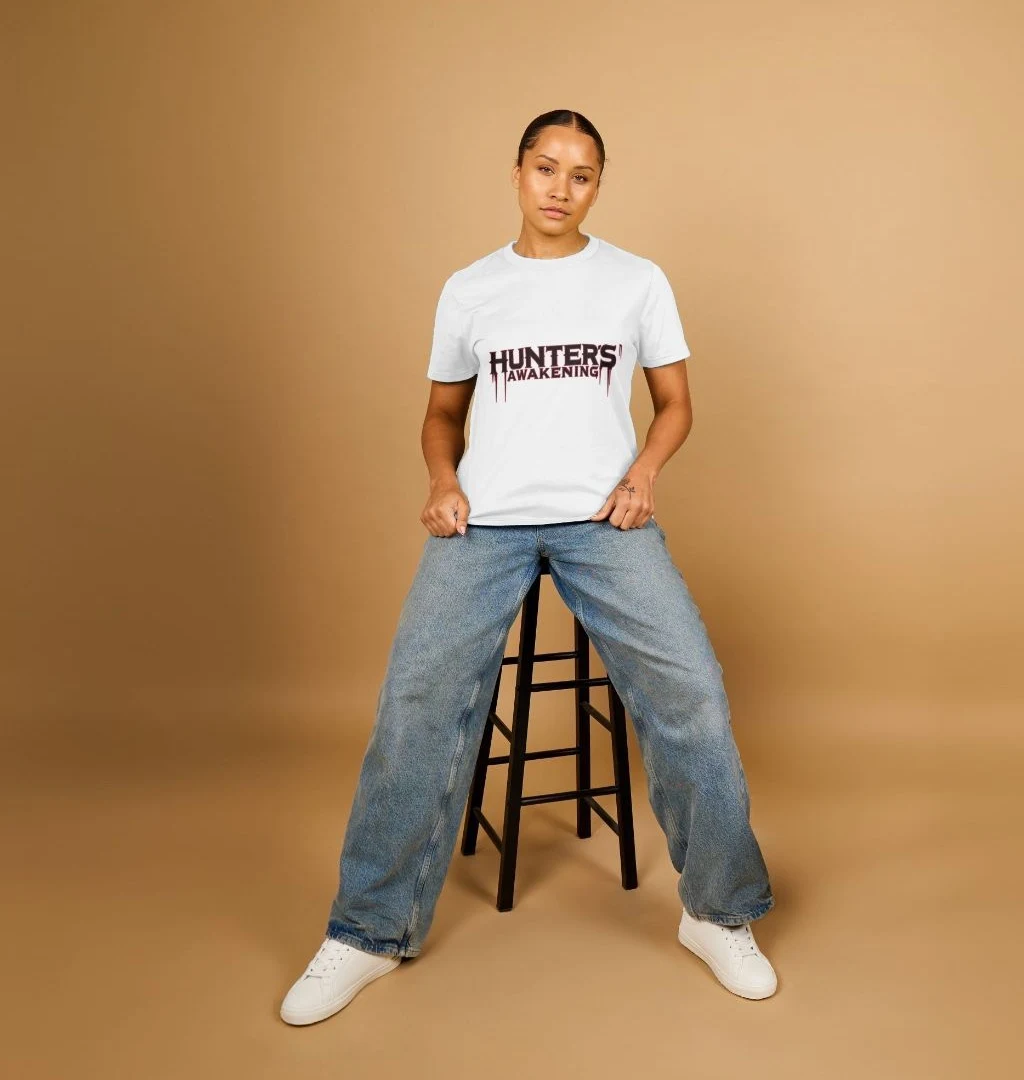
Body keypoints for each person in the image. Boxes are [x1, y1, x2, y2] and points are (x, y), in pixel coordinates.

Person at [280, 109, 778, 1026]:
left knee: (694, 693)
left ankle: (718, 913)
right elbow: (442, 415)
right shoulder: (471, 289)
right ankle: (368, 930)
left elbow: (675, 403)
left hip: (603, 520)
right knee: (415, 700)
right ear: (517, 173)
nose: (561, 187)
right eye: (546, 168)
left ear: (598, 186)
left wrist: (643, 475)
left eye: (581, 174)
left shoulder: (636, 280)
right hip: (487, 523)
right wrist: (442, 483)